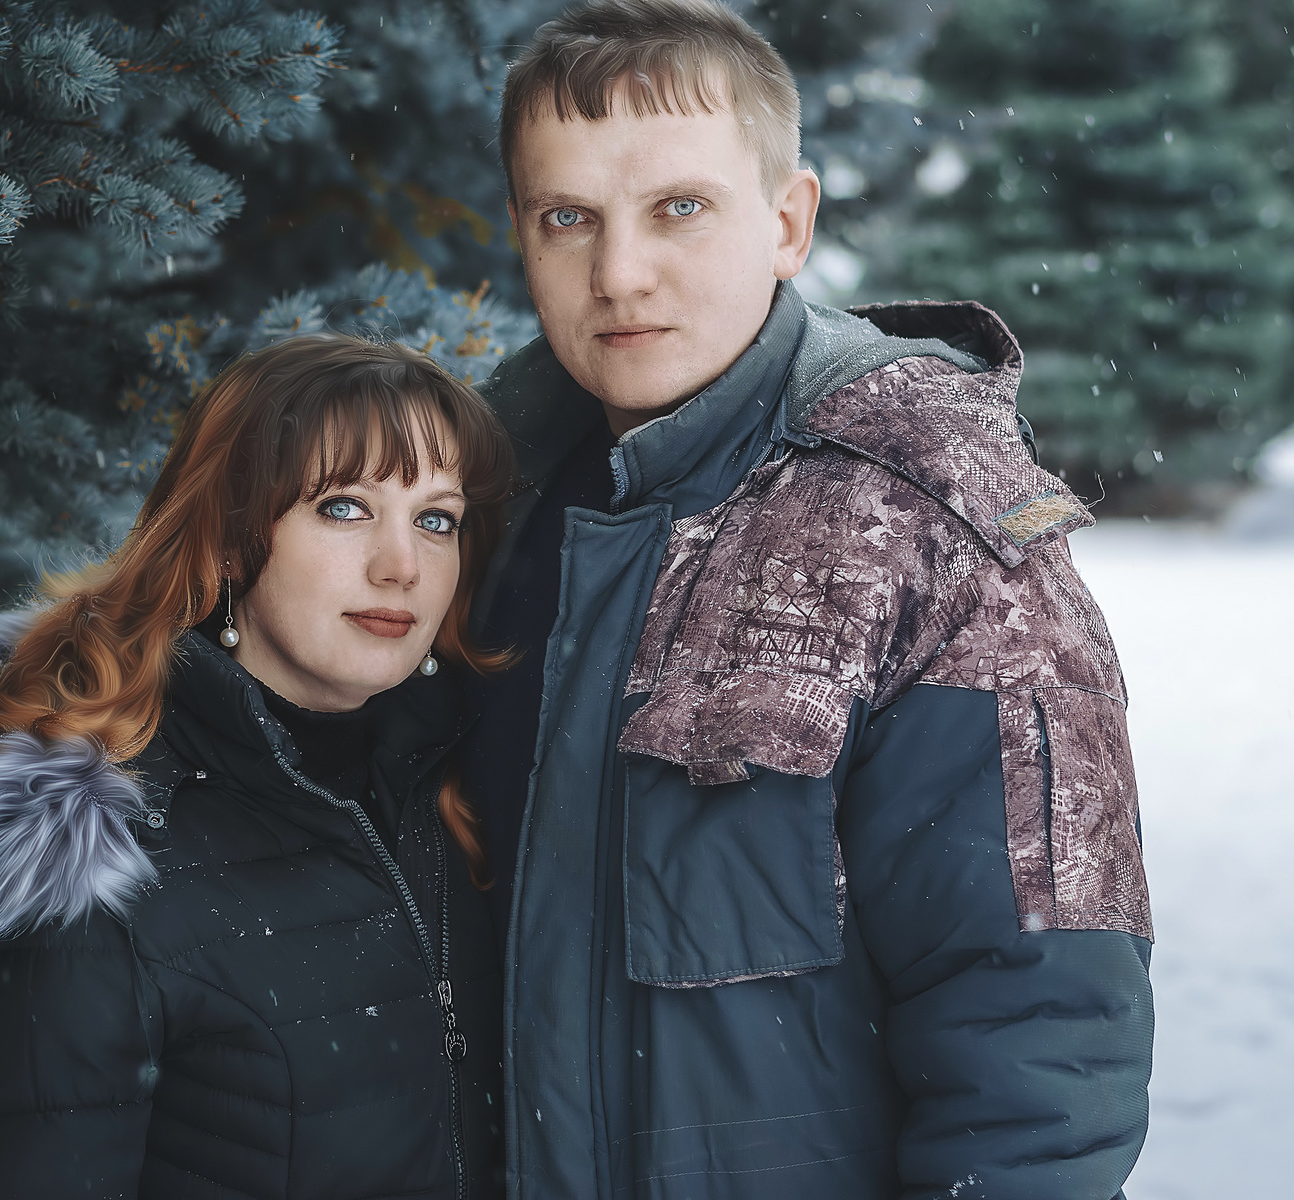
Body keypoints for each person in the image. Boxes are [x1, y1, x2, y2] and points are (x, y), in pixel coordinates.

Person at [457, 2, 1156, 1197]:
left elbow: (1037, 1030)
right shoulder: (470, 501)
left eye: (679, 208)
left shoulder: (927, 521)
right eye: (567, 218)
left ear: (787, 223)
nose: (618, 275)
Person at [0, 336, 515, 1198]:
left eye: (436, 520)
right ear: (230, 539)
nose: (402, 566)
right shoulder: (74, 860)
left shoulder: (458, 792)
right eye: (344, 507)